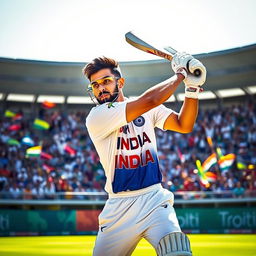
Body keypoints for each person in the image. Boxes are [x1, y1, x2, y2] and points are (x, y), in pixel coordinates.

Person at [83, 52, 206, 256]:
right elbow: (150, 100)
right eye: (95, 85)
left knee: (178, 251)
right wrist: (181, 74)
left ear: (120, 82)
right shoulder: (97, 116)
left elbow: (184, 124)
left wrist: (191, 89)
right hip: (118, 208)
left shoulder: (146, 108)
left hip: (154, 200)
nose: (101, 89)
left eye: (106, 81)